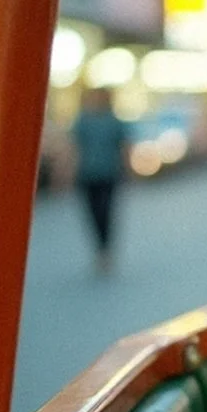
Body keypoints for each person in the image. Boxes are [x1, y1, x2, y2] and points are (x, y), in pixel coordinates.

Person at [70, 86, 130, 274]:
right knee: (92, 213)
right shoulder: (83, 121)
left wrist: (127, 169)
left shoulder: (113, 121)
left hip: (108, 173)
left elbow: (124, 147)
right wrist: (66, 172)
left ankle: (105, 250)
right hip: (87, 175)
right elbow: (74, 148)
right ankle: (100, 248)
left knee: (106, 211)